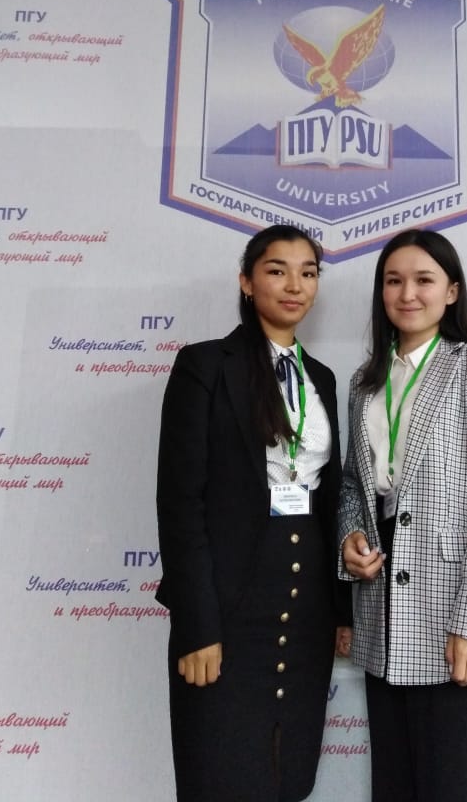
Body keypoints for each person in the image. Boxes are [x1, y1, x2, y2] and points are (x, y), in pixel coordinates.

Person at [338, 228, 467, 802]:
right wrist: (350, 534)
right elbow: (354, 484)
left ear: (451, 291)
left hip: (457, 616)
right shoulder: (364, 382)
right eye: (393, 281)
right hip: (385, 625)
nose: (407, 294)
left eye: (424, 280)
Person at [156, 224, 351, 802]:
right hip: (228, 604)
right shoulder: (204, 365)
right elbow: (180, 502)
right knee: (221, 770)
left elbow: (330, 500)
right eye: (276, 270)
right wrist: (198, 625)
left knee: (288, 773)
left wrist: (342, 610)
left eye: (308, 273)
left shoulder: (322, 378)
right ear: (246, 281)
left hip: (307, 604)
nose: (295, 285)